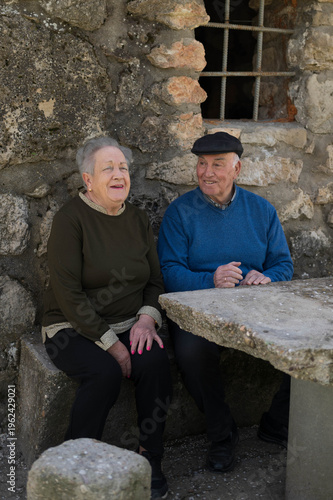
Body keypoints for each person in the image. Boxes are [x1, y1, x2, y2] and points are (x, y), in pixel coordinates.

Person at [42, 136, 172, 499]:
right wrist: (112, 346)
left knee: (156, 362)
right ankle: (75, 467)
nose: (119, 175)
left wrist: (147, 320)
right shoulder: (71, 219)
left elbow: (155, 280)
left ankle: (150, 458)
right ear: (88, 180)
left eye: (124, 168)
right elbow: (69, 295)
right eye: (108, 169)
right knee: (104, 374)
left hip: (131, 321)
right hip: (72, 326)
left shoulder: (136, 218)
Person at [157, 131, 293, 473]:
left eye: (218, 164)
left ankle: (276, 423)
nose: (207, 172)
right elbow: (169, 272)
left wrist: (267, 277)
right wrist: (211, 280)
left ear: (237, 169)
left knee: (307, 337)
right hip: (197, 308)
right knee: (191, 354)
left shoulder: (261, 210)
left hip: (254, 305)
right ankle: (222, 435)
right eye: (202, 164)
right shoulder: (180, 212)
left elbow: (283, 264)